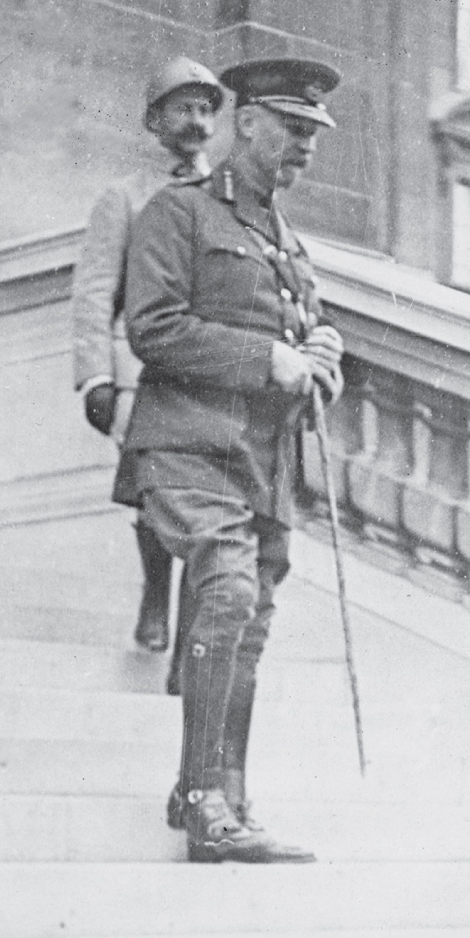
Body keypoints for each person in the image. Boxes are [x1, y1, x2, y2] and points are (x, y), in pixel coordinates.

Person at [116, 58, 346, 863]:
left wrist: (320, 355)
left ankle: (225, 796)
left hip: (265, 458)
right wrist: (264, 359)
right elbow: (152, 328)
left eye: (313, 134)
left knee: (249, 621)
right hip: (187, 442)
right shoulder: (175, 214)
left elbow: (300, 340)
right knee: (226, 592)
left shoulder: (287, 241)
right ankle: (203, 798)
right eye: (292, 128)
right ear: (244, 123)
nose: (305, 148)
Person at [72, 57, 223, 662]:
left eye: (207, 109)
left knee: (211, 501)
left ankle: (195, 621)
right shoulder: (126, 199)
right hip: (143, 374)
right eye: (183, 108)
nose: (198, 121)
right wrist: (95, 378)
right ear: (154, 121)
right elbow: (93, 289)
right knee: (155, 493)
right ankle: (156, 595)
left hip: (209, 374)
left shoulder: (226, 196)